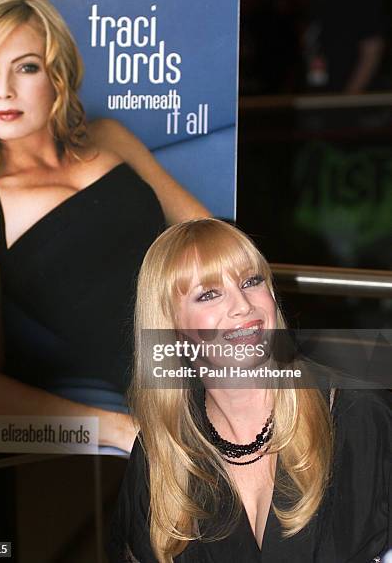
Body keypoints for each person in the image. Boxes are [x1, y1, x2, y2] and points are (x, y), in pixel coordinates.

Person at [0, 0, 209, 453]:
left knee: (358, 398)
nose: (4, 89)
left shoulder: (108, 138)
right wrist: (124, 431)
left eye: (26, 67)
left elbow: (209, 233)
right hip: (165, 392)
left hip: (227, 341)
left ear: (57, 75)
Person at [110, 218, 391, 561]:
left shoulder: (356, 415)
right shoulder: (161, 457)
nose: (242, 306)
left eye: (251, 281)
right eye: (209, 294)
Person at [305, 0, 385, 93]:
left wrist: (348, 99)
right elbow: (316, 43)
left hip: (353, 101)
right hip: (321, 90)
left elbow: (372, 49)